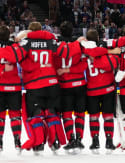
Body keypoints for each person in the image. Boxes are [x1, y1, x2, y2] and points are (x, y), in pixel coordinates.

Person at [0, 22, 83, 154]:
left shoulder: (27, 42)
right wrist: (78, 43)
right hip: (52, 84)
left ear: (30, 31)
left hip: (35, 86)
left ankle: (38, 144)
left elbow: (14, 55)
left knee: (36, 115)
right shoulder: (51, 41)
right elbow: (66, 51)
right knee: (52, 113)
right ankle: (55, 141)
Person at [54, 21, 88, 154]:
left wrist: (64, 71)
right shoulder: (79, 44)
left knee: (67, 114)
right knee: (80, 113)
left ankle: (71, 139)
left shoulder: (57, 45)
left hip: (65, 85)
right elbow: (84, 65)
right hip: (79, 84)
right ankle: (79, 139)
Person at [83, 29, 118, 153]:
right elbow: (113, 64)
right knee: (108, 116)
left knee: (93, 117)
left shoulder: (85, 52)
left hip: (92, 90)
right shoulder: (106, 52)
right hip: (107, 88)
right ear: (98, 38)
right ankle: (109, 141)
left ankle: (95, 141)